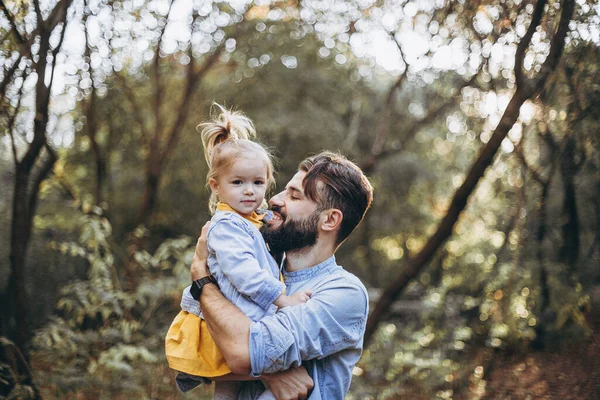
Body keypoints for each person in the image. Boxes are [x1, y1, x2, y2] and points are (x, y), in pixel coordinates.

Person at [185, 151, 374, 399]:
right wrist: (271, 372)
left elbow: (241, 352)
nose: (274, 200)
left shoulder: (343, 292)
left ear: (329, 220)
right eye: (284, 190)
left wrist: (202, 279)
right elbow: (194, 353)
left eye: (294, 196)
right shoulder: (258, 271)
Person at [165, 105, 311, 398]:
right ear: (215, 186)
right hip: (235, 317)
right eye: (238, 182)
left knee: (233, 391)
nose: (249, 191)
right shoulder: (227, 226)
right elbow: (244, 274)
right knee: (229, 390)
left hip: (245, 315)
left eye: (257, 183)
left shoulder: (250, 219)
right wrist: (284, 300)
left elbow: (264, 224)